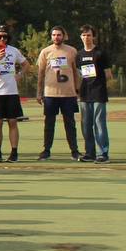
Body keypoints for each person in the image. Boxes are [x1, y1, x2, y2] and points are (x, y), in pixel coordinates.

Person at [36, 27, 82, 161]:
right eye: (54, 35)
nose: (56, 37)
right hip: (50, 94)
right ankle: (46, 150)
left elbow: (75, 72)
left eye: (59, 35)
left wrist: (77, 89)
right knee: (49, 123)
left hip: (68, 94)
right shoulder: (46, 52)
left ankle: (74, 151)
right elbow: (41, 73)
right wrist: (39, 92)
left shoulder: (72, 51)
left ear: (64, 36)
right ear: (51, 36)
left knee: (70, 124)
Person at [0, 26, 28, 162]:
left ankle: (14, 153)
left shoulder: (14, 51)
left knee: (12, 121)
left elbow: (26, 64)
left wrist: (20, 75)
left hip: (12, 91)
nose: (2, 39)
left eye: (5, 37)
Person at [77, 25, 112, 162]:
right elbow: (78, 74)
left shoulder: (100, 53)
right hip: (85, 94)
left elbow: (108, 74)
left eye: (89, 35)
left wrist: (97, 80)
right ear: (81, 37)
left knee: (99, 123)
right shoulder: (79, 55)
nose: (86, 38)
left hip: (98, 93)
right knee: (86, 124)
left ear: (93, 36)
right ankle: (89, 153)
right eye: (84, 35)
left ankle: (103, 153)